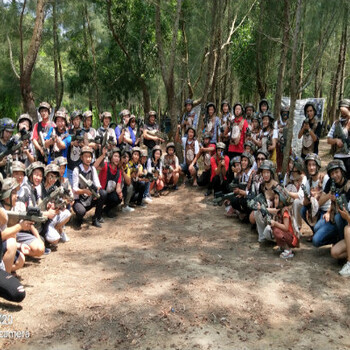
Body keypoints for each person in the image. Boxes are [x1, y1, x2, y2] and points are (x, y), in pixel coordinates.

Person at [312, 160, 349, 248]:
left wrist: (337, 200)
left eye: (337, 172)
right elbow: (319, 203)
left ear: (342, 171)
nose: (335, 175)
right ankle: (335, 238)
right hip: (333, 219)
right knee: (316, 237)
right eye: (332, 173)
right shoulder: (330, 182)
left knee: (338, 217)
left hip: (344, 220)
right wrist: (329, 195)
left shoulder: (348, 185)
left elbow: (346, 209)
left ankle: (342, 241)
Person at [72, 146, 107, 228]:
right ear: (81, 157)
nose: (88, 159)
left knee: (103, 193)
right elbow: (75, 189)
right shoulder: (76, 170)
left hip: (90, 197)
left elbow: (98, 184)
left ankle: (96, 218)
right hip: (79, 200)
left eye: (90, 157)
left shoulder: (93, 169)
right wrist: (85, 191)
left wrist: (96, 192)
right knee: (81, 212)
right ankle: (79, 219)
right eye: (86, 156)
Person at [300, 153, 330, 238]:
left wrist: (316, 200)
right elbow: (305, 203)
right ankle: (315, 232)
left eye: (313, 165)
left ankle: (318, 232)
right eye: (309, 165)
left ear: (318, 166)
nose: (311, 167)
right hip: (316, 211)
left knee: (317, 228)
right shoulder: (308, 182)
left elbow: (327, 196)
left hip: (325, 210)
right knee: (302, 210)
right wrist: (307, 198)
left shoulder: (325, 178)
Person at [270, 185, 299, 258]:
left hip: (291, 238)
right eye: (275, 198)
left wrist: (275, 223)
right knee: (273, 228)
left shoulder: (285, 211)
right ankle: (282, 247)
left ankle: (288, 250)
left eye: (277, 198)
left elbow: (286, 227)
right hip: (287, 235)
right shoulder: (279, 210)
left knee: (276, 230)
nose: (275, 200)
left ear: (282, 201)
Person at [94, 147, 123, 218]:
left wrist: (120, 192)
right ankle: (98, 214)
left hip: (108, 195)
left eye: (118, 157)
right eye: (115, 156)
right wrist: (103, 155)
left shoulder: (118, 171)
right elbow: (94, 166)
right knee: (103, 194)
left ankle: (106, 210)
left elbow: (118, 186)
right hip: (99, 194)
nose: (117, 158)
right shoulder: (105, 165)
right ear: (111, 157)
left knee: (118, 199)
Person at [327, 99, 350, 176]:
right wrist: (336, 140)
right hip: (338, 156)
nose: (343, 111)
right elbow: (329, 140)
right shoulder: (336, 123)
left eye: (345, 108)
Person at [275, 105, 289, 172]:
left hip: (288, 145)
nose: (285, 114)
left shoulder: (291, 123)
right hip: (279, 145)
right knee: (279, 162)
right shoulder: (277, 122)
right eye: (284, 112)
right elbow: (275, 134)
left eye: (286, 112)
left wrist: (284, 130)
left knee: (288, 163)